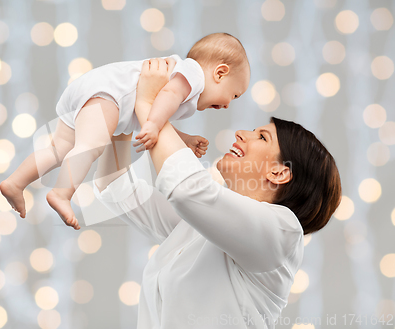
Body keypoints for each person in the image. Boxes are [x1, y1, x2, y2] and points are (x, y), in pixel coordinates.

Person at [91, 58, 342, 328]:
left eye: (262, 137)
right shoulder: (201, 228)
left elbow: (187, 188)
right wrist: (126, 115)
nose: (242, 134)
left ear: (279, 173)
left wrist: (149, 104)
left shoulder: (282, 232)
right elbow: (115, 188)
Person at [0, 32, 251, 230]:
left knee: (58, 149)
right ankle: (61, 193)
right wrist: (151, 125)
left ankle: (15, 182)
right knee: (91, 146)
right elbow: (166, 97)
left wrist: (183, 139)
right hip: (111, 96)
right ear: (220, 73)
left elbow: (155, 107)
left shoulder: (185, 86)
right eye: (234, 94)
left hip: (91, 90)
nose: (228, 104)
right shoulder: (194, 74)